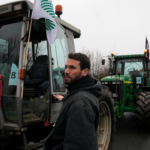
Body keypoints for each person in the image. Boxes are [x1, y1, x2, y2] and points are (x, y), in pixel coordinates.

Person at [52, 53, 102, 150]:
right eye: (66, 67)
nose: (66, 71)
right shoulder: (81, 92)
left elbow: (77, 146)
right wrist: (64, 99)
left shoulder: (80, 103)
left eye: (72, 68)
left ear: (85, 72)